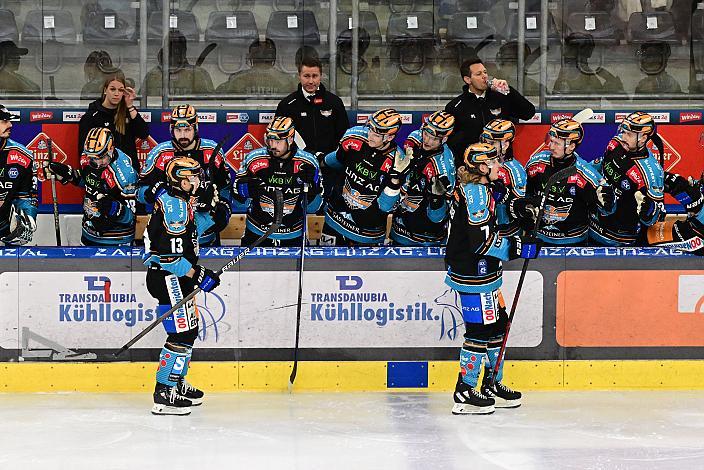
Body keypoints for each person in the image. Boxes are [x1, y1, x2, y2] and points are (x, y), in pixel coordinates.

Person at [445, 142, 541, 415]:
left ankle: (490, 383)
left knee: (498, 325)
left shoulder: (482, 188)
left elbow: (494, 216)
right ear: (484, 167)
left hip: (487, 273)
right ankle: (464, 391)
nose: (501, 166)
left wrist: (518, 210)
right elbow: (480, 241)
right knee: (479, 332)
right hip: (474, 274)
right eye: (496, 163)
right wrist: (517, 248)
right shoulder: (476, 193)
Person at [143, 157, 220, 415]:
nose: (197, 181)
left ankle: (176, 382)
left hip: (176, 277)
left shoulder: (181, 202)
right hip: (169, 277)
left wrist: (214, 212)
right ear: (180, 180)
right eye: (192, 177)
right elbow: (169, 257)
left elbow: (193, 231)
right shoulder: (174, 206)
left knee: (189, 329)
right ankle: (164, 392)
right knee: (182, 334)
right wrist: (197, 274)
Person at [137, 104, 232, 247]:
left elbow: (225, 187)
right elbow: (139, 193)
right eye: (178, 130)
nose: (182, 135)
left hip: (206, 235)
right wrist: (154, 192)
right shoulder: (159, 154)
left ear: (196, 128)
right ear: (171, 130)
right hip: (169, 236)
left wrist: (224, 210)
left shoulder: (212, 151)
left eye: (187, 129)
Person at [321, 108, 406, 246]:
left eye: (377, 134)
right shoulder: (354, 136)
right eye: (370, 129)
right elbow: (336, 159)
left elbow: (385, 206)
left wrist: (395, 181)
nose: (370, 136)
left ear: (389, 137)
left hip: (367, 234)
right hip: (335, 219)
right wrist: (319, 161)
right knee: (322, 266)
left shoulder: (398, 160)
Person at [233, 116, 322, 246]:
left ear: (291, 139)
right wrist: (244, 190)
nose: (272, 146)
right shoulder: (254, 158)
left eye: (278, 141)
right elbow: (237, 202)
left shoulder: (308, 162)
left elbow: (315, 207)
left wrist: (313, 190)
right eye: (270, 140)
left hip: (294, 235)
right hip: (257, 233)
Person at [525, 118, 616, 246]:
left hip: (574, 241)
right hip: (539, 237)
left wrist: (608, 203)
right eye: (550, 141)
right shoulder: (536, 163)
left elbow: (607, 210)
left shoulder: (585, 173)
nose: (550, 147)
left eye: (556, 143)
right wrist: (527, 206)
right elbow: (524, 193)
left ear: (571, 146)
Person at [45, 127, 138, 245]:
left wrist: (113, 208)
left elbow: (131, 218)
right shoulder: (87, 157)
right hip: (88, 234)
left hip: (116, 240)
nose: (97, 163)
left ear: (111, 149)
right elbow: (88, 181)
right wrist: (69, 174)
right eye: (93, 158)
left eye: (101, 157)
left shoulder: (126, 174)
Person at [588, 112, 664, 246]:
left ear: (643, 138)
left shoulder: (651, 172)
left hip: (618, 240)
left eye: (628, 134)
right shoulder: (616, 142)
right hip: (591, 225)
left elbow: (656, 217)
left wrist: (649, 211)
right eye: (623, 131)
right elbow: (599, 165)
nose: (623, 137)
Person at [444, 57, 536, 167]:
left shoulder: (500, 97)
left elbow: (529, 113)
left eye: (485, 72)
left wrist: (509, 91)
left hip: (502, 165)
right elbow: (451, 145)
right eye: (478, 74)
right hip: (474, 169)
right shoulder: (455, 106)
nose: (484, 76)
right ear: (468, 79)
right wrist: (461, 166)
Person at [387, 110, 456, 246]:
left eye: (434, 138)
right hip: (400, 227)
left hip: (427, 236)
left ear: (444, 139)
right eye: (426, 134)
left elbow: (439, 216)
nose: (427, 140)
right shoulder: (415, 137)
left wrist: (437, 198)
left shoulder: (444, 169)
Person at [276, 55, 349, 161]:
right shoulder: (286, 105)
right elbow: (280, 139)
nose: (310, 81)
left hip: (329, 163)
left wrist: (331, 158)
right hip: (298, 164)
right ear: (299, 76)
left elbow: (344, 135)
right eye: (306, 76)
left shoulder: (334, 102)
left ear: (321, 76)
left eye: (314, 76)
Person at [78, 71, 149, 171]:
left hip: (127, 173)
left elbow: (144, 133)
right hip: (101, 174)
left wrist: (130, 105)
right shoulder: (92, 116)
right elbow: (83, 152)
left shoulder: (128, 112)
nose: (116, 94)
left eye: (120, 90)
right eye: (112, 89)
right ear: (105, 90)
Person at [479, 119, 535, 238]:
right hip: (478, 229)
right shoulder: (477, 161)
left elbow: (520, 209)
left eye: (492, 143)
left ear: (505, 145)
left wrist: (505, 196)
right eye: (485, 141)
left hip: (504, 235)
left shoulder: (515, 170)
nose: (486, 146)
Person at [0, 105, 37, 246]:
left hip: (6, 231)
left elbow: (26, 197)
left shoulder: (23, 156)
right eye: (4, 121)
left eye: (9, 120)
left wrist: (28, 218)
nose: (10, 124)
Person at [645, 172, 704, 255]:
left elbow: (692, 200)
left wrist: (678, 185)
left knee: (647, 237)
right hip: (692, 227)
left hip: (697, 238)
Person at [142, 30, 215, 97]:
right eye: (170, 48)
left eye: (177, 48)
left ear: (184, 51)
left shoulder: (199, 74)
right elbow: (138, 101)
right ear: (164, 51)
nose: (174, 51)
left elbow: (211, 104)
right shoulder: (152, 75)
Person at [552, 33, 625, 95]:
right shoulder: (565, 71)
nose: (563, 50)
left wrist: (610, 81)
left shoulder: (589, 76)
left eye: (568, 47)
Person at [215, 39, 292, 96]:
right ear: (274, 58)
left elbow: (218, 94)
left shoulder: (237, 79)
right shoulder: (287, 80)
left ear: (250, 57)